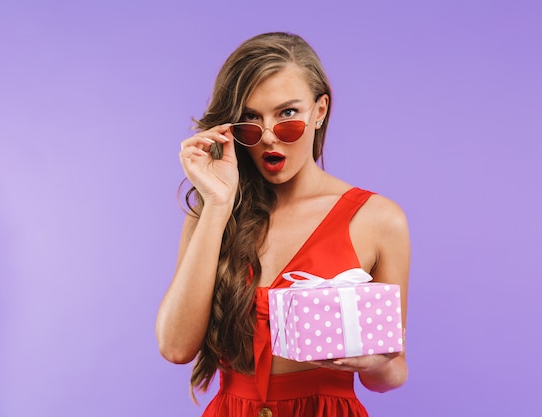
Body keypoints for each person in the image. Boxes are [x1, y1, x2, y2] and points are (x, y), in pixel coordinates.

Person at [156, 32, 410, 416]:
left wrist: (376, 363)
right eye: (251, 121)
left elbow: (390, 373)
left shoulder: (378, 220)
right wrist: (218, 204)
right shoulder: (213, 213)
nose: (270, 138)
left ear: (319, 110)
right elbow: (175, 348)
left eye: (287, 114)